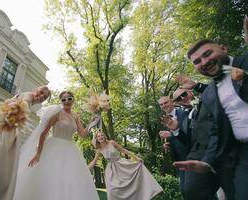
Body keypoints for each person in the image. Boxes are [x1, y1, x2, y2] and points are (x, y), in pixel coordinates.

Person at [172, 39, 248, 200]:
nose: (205, 62)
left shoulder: (243, 63)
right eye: (198, 61)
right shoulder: (210, 94)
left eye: (208, 54)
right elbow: (215, 131)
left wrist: (197, 85)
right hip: (225, 155)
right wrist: (208, 162)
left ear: (224, 48)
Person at [13, 90, 101, 200]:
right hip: (54, 145)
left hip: (70, 149)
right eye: (63, 99)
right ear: (61, 101)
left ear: (73, 99)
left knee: (69, 178)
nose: (66, 101)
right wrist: (38, 153)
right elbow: (44, 133)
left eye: (69, 98)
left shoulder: (75, 116)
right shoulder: (57, 113)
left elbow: (82, 134)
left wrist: (91, 124)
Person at [88, 131, 163, 200]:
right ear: (97, 139)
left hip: (121, 164)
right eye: (98, 136)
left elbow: (123, 150)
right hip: (111, 170)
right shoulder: (99, 149)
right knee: (112, 190)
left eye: (102, 135)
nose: (101, 137)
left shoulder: (112, 143)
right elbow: (94, 161)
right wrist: (86, 169)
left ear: (104, 136)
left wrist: (136, 157)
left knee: (130, 183)